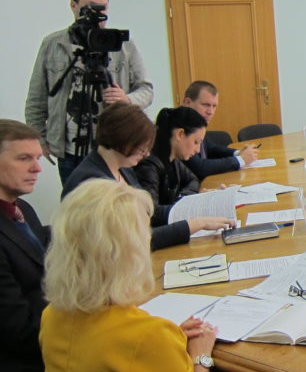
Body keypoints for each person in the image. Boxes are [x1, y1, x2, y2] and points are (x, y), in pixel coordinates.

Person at [40, 180, 218, 371]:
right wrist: (201, 356)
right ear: (131, 252)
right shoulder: (151, 335)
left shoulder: (50, 317)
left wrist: (173, 338)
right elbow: (136, 345)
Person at [24, 0, 153, 183]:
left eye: (102, 8)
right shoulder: (53, 44)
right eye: (89, 8)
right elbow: (37, 97)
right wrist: (39, 140)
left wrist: (126, 99)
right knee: (76, 200)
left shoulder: (123, 44)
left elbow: (146, 90)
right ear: (73, 6)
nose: (97, 15)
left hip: (114, 146)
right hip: (69, 148)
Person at [62, 103, 232, 250]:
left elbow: (148, 211)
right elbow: (131, 240)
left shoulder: (123, 167)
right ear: (124, 139)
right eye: (142, 146)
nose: (146, 153)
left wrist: (196, 204)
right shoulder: (90, 182)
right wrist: (192, 225)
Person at [0, 120, 49, 371]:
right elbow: (18, 330)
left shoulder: (22, 208)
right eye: (23, 158)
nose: (37, 168)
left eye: (38, 158)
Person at [180, 81, 259, 179]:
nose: (210, 112)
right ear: (187, 103)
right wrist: (240, 160)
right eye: (205, 105)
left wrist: (238, 153)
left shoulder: (195, 124)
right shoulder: (179, 128)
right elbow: (200, 168)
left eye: (214, 106)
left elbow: (211, 149)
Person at [134, 107, 205, 206]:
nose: (198, 150)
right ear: (180, 134)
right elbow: (152, 210)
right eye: (196, 142)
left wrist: (183, 197)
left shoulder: (173, 159)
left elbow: (193, 180)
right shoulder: (149, 165)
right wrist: (182, 204)